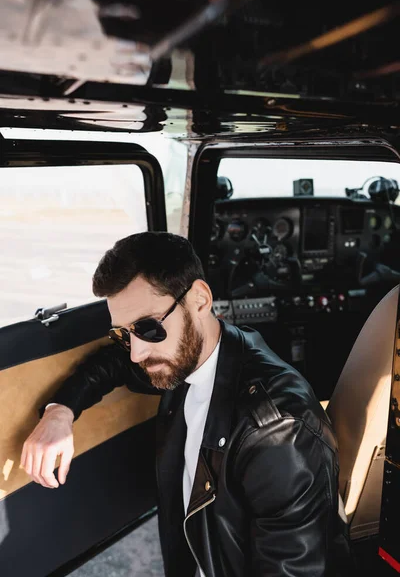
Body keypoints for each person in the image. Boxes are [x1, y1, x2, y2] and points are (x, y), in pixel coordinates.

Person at [21, 232, 350, 577]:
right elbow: (113, 364)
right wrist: (60, 411)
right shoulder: (186, 357)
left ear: (200, 300)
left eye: (148, 329)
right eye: (123, 334)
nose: (137, 352)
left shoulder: (277, 434)